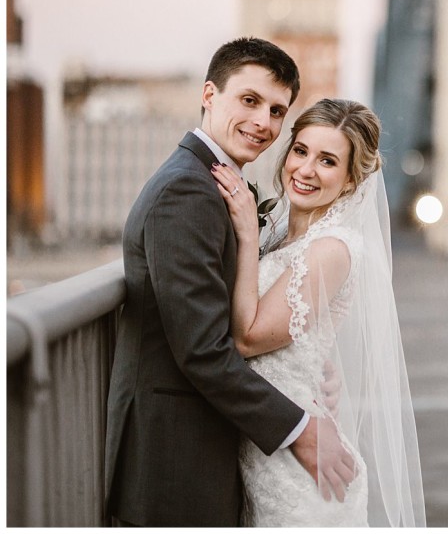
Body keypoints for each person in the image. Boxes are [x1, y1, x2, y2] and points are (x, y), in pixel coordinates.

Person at [104, 38, 355, 527]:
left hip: (210, 437)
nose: (263, 121)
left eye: (277, 110)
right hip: (174, 447)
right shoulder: (187, 190)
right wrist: (300, 429)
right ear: (209, 95)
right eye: (249, 100)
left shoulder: (214, 183)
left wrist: (305, 358)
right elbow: (202, 347)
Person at [211, 98, 425, 526]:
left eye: (327, 161)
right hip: (270, 453)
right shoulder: (283, 235)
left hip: (301, 475)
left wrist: (247, 238)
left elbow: (248, 337)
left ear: (350, 180)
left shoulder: (332, 248)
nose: (305, 170)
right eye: (301, 151)